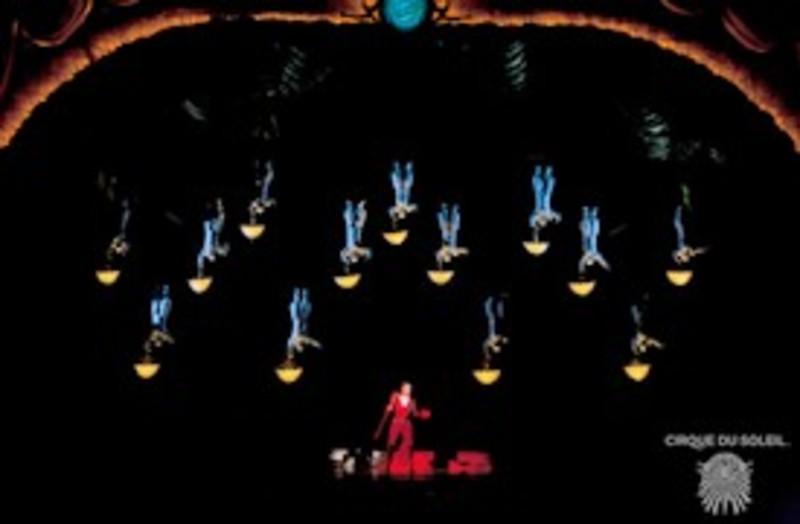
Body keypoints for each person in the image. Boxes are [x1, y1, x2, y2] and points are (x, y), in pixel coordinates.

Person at [376, 381, 428, 475]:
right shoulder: (395, 396)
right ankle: (388, 465)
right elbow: (390, 407)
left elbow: (414, 414)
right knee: (391, 443)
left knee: (410, 444)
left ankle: (409, 467)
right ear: (402, 388)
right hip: (396, 422)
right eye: (407, 388)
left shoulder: (412, 401)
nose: (409, 390)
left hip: (406, 423)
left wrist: (421, 414)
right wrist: (389, 408)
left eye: (410, 388)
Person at [578, 205, 610, 274]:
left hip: (588, 234)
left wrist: (581, 269)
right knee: (592, 223)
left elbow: (582, 262)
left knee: (588, 223)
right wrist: (606, 266)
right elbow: (601, 260)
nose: (591, 258)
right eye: (591, 260)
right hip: (592, 235)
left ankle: (588, 211)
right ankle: (593, 211)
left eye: (589, 260)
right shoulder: (594, 254)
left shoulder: (587, 253)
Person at [340, 199, 372, 268]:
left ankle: (350, 204)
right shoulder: (359, 251)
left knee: (350, 215)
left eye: (353, 257)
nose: (354, 256)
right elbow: (369, 252)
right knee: (360, 219)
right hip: (358, 229)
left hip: (350, 228)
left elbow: (342, 254)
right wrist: (366, 257)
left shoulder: (349, 251)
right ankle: (360, 206)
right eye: (356, 257)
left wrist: (346, 261)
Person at [529, 165, 561, 230]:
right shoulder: (548, 215)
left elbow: (532, 219)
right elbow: (557, 216)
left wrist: (534, 226)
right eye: (544, 222)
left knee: (538, 187)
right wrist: (557, 219)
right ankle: (548, 171)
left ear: (539, 221)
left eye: (541, 222)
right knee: (547, 190)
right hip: (546, 195)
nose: (543, 221)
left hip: (539, 194)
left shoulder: (537, 215)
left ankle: (538, 170)